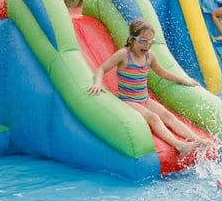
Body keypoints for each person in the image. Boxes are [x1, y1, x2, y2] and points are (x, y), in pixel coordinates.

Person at [87, 19, 210, 154]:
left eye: (150, 42)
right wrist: (98, 82)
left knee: (167, 115)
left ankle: (198, 140)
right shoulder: (124, 55)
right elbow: (102, 69)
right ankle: (179, 145)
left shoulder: (149, 57)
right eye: (143, 41)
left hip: (144, 99)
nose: (147, 45)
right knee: (153, 117)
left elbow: (162, 72)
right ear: (131, 39)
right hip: (128, 100)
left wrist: (183, 80)